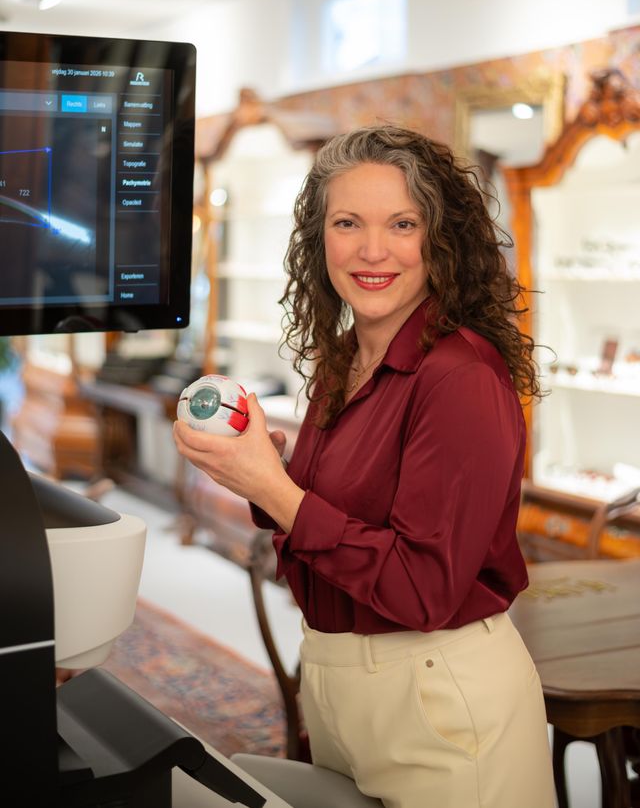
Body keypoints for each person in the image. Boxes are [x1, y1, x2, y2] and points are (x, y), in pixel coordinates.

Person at [173, 125, 556, 808]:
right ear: (319, 239)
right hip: (340, 684)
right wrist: (260, 470)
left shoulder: (460, 377)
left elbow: (422, 590)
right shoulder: (344, 360)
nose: (372, 250)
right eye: (347, 222)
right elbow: (329, 530)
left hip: (441, 700)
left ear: (440, 240)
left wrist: (274, 489)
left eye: (402, 224)